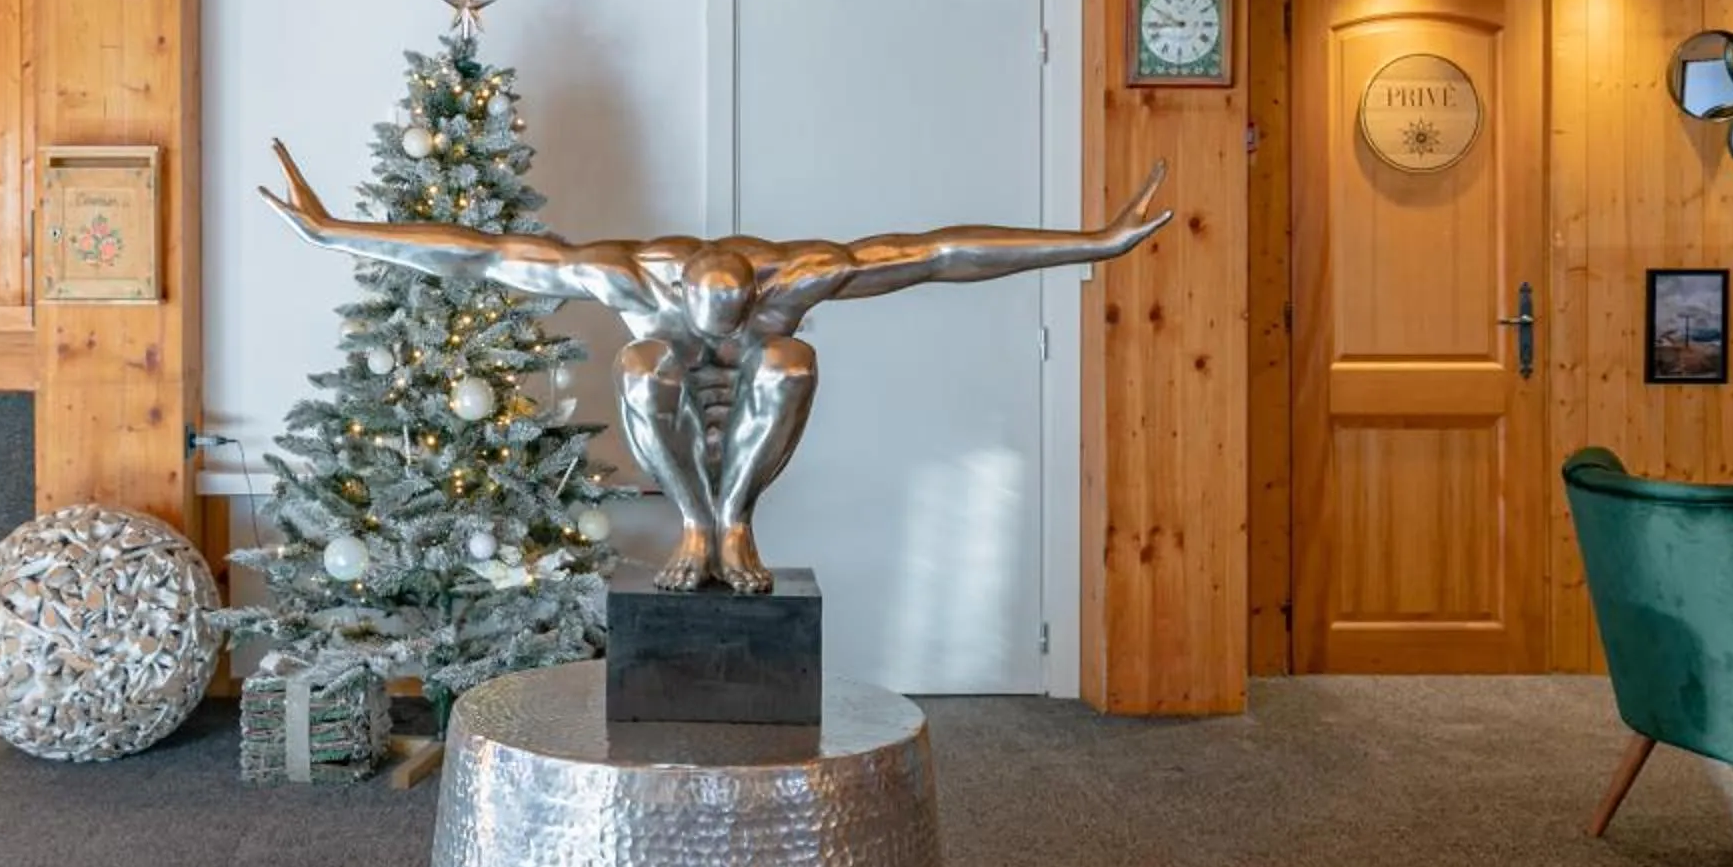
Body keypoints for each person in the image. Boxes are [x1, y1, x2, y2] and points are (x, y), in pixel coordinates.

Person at [261, 142, 1174, 593]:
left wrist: (1093, 244)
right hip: (656, 378)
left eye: (735, 320)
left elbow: (941, 252)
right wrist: (335, 231)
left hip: (766, 393)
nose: (723, 340)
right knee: (647, 365)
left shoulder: (798, 279)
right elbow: (479, 254)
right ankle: (701, 524)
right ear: (686, 292)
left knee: (792, 361)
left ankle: (732, 521)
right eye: (716, 324)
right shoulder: (623, 278)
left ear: (751, 293)